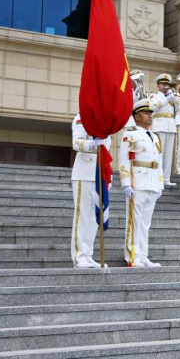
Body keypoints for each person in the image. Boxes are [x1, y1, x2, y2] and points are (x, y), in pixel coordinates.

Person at [119, 99, 164, 268]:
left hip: (151, 181)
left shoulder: (155, 137)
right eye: (146, 113)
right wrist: (125, 183)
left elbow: (158, 162)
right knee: (134, 221)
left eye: (151, 113)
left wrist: (160, 184)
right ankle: (132, 256)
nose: (150, 116)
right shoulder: (130, 134)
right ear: (137, 117)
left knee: (145, 222)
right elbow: (124, 160)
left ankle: (143, 255)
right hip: (137, 180)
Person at [70, 114, 111, 269]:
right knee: (82, 216)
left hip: (99, 172)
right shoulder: (82, 118)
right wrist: (92, 144)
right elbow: (76, 143)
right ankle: (79, 255)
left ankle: (88, 254)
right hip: (84, 172)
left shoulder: (106, 122)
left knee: (95, 217)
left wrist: (109, 176)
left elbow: (107, 151)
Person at [147, 74, 178, 188]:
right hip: (160, 126)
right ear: (158, 85)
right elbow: (153, 107)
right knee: (159, 154)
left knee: (168, 155)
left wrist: (175, 99)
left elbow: (179, 110)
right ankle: (157, 177)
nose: (165, 86)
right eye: (163, 84)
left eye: (167, 84)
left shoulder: (170, 97)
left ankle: (166, 178)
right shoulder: (153, 96)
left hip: (171, 126)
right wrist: (167, 99)